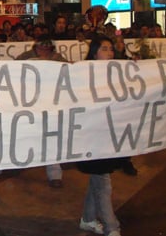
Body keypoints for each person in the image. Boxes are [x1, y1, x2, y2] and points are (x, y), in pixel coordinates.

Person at [77, 35, 123, 236]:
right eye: (104, 49)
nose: (110, 53)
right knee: (103, 182)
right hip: (91, 135)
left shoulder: (117, 72)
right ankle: (112, 227)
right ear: (94, 53)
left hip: (108, 134)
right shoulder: (83, 74)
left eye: (111, 49)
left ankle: (87, 219)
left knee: (98, 179)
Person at [16, 34, 68, 188]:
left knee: (51, 135)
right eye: (40, 46)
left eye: (46, 46)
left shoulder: (58, 58)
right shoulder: (25, 57)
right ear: (35, 46)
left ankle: (54, 172)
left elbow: (70, 73)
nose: (43, 49)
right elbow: (11, 71)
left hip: (51, 104)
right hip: (28, 104)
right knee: (22, 134)